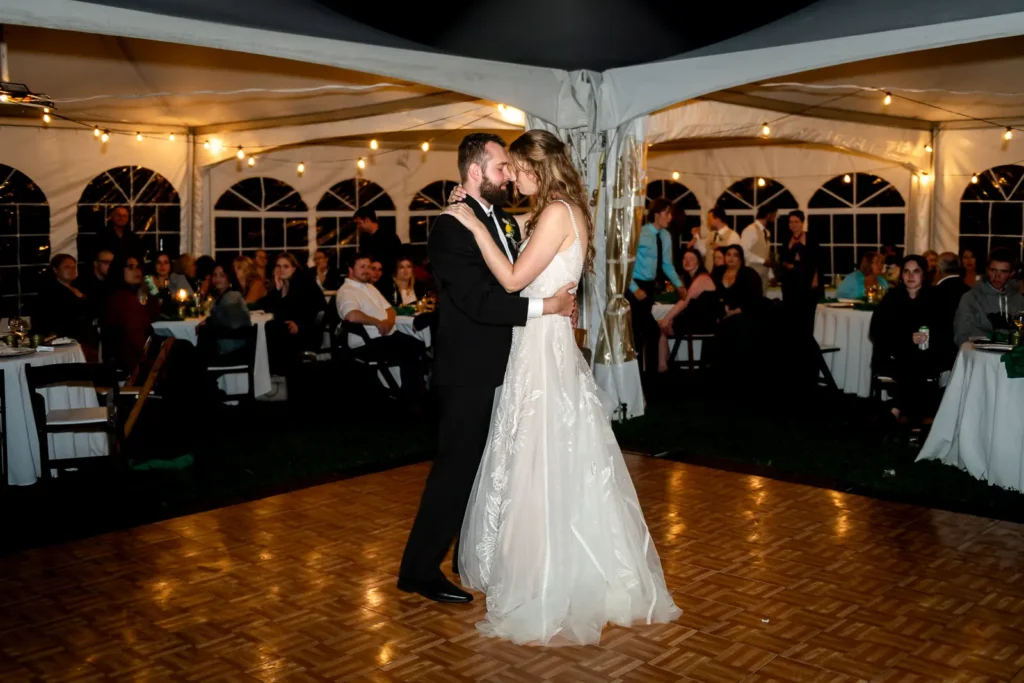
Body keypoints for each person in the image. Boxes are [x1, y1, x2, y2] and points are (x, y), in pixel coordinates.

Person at [428, 130, 680, 645]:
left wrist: (471, 226)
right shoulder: (558, 211)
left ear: (534, 166)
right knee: (536, 455)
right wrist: (478, 211)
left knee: (540, 458)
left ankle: (546, 572)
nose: (512, 179)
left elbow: (515, 279)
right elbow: (511, 226)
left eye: (515, 169)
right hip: (537, 347)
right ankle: (533, 560)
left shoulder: (557, 213)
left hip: (542, 350)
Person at [336, 252, 426, 395]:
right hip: (366, 342)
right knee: (411, 349)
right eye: (362, 267)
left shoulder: (370, 287)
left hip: (385, 335)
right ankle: (405, 394)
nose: (367, 270)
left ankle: (408, 391)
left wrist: (388, 323)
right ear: (350, 269)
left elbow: (390, 309)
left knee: (419, 345)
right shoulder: (347, 291)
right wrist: (378, 323)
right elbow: (351, 315)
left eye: (369, 267)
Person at [869, 255, 940, 424]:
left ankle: (896, 408)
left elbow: (943, 331)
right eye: (906, 271)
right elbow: (877, 332)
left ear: (924, 275)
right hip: (893, 356)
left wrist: (927, 337)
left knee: (916, 363)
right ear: (901, 275)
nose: (910, 276)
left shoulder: (934, 298)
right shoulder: (892, 298)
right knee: (911, 365)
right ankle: (914, 425)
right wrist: (908, 339)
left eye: (916, 271)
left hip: (926, 356)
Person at [626, 198, 685, 373]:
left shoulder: (666, 236)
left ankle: (647, 376)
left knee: (646, 333)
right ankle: (641, 376)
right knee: (645, 332)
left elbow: (667, 264)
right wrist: (634, 288)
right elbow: (624, 265)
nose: (670, 217)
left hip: (650, 287)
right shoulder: (640, 233)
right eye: (667, 213)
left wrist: (679, 285)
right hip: (635, 287)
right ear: (657, 213)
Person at [262, 252, 325, 374]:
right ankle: (274, 374)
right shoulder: (283, 283)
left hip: (308, 331)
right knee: (269, 328)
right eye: (278, 266)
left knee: (273, 331)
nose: (281, 270)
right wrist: (278, 289)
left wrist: (299, 325)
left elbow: (315, 310)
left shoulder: (303, 282)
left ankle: (279, 373)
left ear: (294, 267)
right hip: (290, 328)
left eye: (286, 266)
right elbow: (272, 310)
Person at [656, 248, 717, 372]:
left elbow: (685, 302)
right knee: (662, 326)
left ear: (698, 262)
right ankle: (665, 364)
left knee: (662, 325)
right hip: (696, 319)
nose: (687, 261)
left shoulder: (702, 278)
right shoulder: (691, 279)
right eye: (685, 258)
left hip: (704, 323)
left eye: (691, 259)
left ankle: (663, 366)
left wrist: (667, 318)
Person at [953, 246, 1024, 345]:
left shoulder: (1019, 300)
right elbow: (961, 335)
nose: (997, 276)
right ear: (987, 270)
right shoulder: (971, 298)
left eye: (1003, 271)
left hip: (1012, 356)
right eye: (993, 270)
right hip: (980, 355)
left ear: (1012, 273)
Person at [34, 254, 99, 360]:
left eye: (74, 267)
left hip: (86, 339)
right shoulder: (50, 292)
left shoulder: (80, 287)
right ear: (55, 270)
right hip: (66, 343)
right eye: (67, 267)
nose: (72, 270)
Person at [99, 255, 156, 372]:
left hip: (129, 357)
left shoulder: (131, 294)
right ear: (119, 270)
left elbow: (154, 314)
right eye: (130, 267)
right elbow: (136, 338)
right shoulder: (122, 298)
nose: (137, 271)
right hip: (129, 361)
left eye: (138, 267)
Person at [776, 210, 821, 336]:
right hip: (790, 283)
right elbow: (781, 260)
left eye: (796, 221)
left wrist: (815, 278)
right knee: (790, 316)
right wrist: (787, 264)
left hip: (806, 282)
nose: (793, 224)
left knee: (806, 316)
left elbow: (817, 261)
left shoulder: (811, 239)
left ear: (802, 223)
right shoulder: (786, 239)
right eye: (791, 222)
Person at [199, 262, 252, 359]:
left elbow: (234, 323)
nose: (217, 279)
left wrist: (208, 322)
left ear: (229, 278)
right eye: (215, 275)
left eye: (222, 275)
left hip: (232, 350)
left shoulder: (232, 296)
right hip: (225, 346)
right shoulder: (221, 297)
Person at [932, 252, 970, 372]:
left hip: (938, 357)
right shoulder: (971, 292)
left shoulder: (933, 294)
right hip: (967, 354)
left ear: (938, 269)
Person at [355, 207, 402, 279]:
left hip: (387, 278)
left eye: (359, 223)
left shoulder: (389, 236)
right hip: (370, 279)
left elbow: (397, 259)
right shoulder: (364, 239)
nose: (358, 226)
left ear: (367, 220)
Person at [694, 206, 741, 271]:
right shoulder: (710, 234)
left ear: (717, 219)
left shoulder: (733, 235)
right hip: (710, 272)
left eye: (709, 219)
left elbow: (736, 258)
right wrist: (696, 236)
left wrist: (721, 248)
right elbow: (703, 252)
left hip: (725, 273)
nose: (708, 222)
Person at [740, 204, 776, 288]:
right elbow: (744, 252)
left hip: (763, 277)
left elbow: (765, 256)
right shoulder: (750, 230)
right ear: (768, 215)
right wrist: (762, 261)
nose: (774, 219)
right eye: (774, 216)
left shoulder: (766, 232)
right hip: (751, 276)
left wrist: (771, 275)